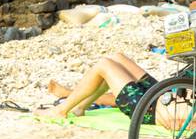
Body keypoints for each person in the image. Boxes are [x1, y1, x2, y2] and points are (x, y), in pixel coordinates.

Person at [48, 52, 179, 124]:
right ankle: (80, 107)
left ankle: (61, 110)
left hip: (151, 110)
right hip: (165, 95)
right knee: (117, 58)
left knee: (104, 65)